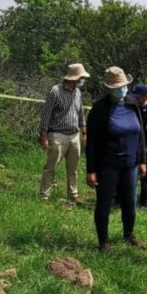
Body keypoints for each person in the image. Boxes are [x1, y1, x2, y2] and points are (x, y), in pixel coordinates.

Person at [85, 67, 147, 252]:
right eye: (117, 86)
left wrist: (142, 160)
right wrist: (91, 170)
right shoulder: (100, 109)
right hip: (108, 165)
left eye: (123, 86)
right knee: (104, 203)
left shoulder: (132, 103)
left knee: (130, 202)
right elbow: (92, 142)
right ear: (109, 88)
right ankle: (103, 240)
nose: (122, 89)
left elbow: (140, 132)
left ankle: (129, 234)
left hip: (130, 164)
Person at [39, 63, 89, 204]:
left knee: (73, 169)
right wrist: (44, 136)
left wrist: (84, 130)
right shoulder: (55, 91)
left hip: (74, 135)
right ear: (74, 77)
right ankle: (44, 196)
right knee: (51, 167)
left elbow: (80, 112)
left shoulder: (77, 92)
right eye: (81, 77)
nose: (83, 80)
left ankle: (73, 194)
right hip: (57, 135)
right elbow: (46, 115)